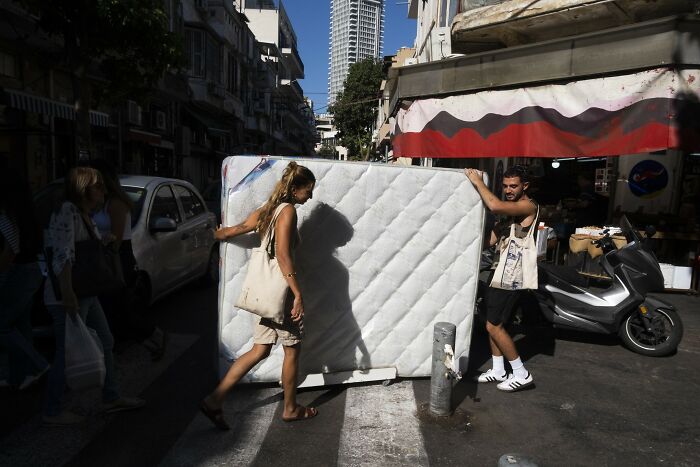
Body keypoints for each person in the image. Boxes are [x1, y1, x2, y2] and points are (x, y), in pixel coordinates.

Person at [201, 161, 318, 430]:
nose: (310, 195)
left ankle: (215, 400)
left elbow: (237, 228)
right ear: (296, 188)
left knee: (260, 349)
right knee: (292, 350)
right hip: (281, 295)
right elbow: (283, 255)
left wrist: (216, 235)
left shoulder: (268, 209)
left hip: (264, 296)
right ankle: (290, 409)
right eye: (309, 190)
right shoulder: (287, 211)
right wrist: (298, 293)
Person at [43, 167, 145, 426]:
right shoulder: (68, 211)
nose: (103, 191)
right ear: (84, 189)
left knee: (107, 339)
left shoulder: (83, 214)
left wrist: (105, 241)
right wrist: (67, 295)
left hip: (85, 292)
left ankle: (111, 396)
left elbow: (82, 250)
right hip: (69, 295)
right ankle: (52, 410)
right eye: (98, 186)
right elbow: (62, 256)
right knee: (65, 353)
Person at [465, 165, 537, 392]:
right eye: (505, 186)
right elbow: (490, 241)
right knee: (490, 322)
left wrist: (477, 182)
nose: (508, 190)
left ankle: (521, 372)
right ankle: (498, 369)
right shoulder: (510, 215)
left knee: (494, 326)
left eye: (513, 186)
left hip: (512, 276)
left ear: (525, 186)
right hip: (498, 273)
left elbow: (494, 205)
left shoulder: (528, 205)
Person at [90, 159, 167, 359]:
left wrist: (99, 243)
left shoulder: (116, 203)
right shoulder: (101, 202)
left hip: (117, 259)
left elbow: (115, 239)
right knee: (115, 311)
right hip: (106, 258)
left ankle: (154, 335)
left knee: (120, 310)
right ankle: (140, 343)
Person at [0, 167, 50, 391]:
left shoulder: (6, 213)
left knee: (2, 325)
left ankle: (36, 365)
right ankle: (19, 376)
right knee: (20, 325)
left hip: (19, 272)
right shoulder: (26, 209)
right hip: (32, 270)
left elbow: (10, 251)